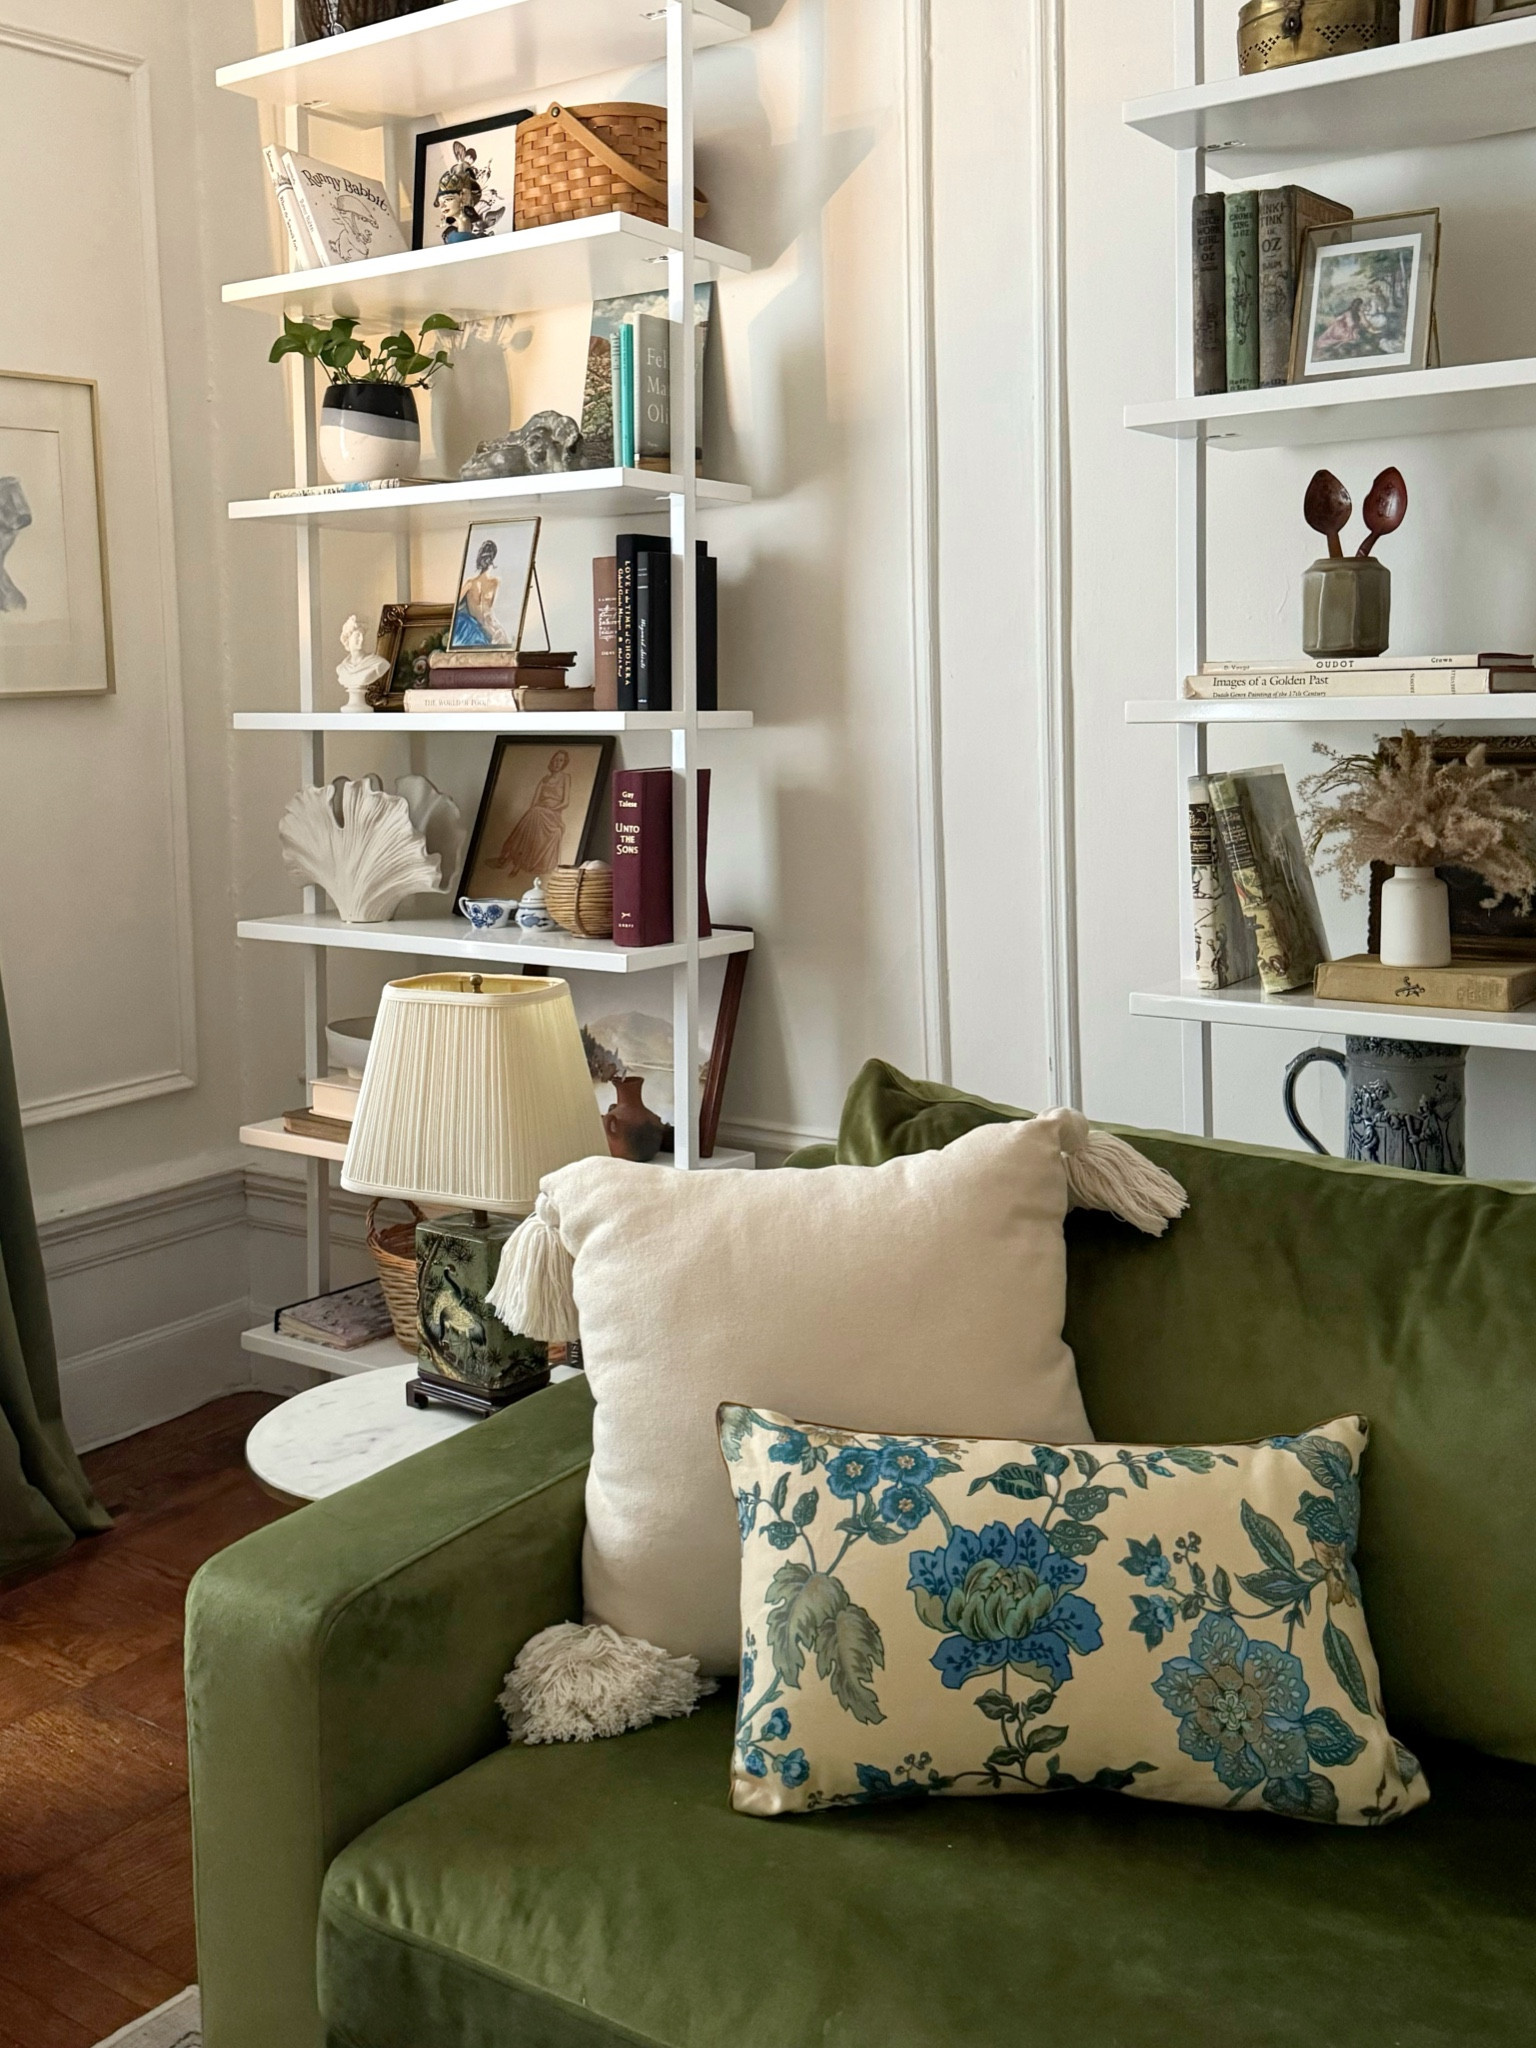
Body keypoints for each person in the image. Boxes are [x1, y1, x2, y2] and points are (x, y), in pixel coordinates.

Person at [492, 749, 572, 881]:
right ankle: (516, 860)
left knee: (536, 812)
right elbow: (534, 802)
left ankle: (512, 860)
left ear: (564, 763)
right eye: (556, 759)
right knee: (533, 813)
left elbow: (565, 802)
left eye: (561, 760)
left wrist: (551, 808)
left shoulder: (566, 778)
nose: (558, 763)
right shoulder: (544, 779)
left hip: (553, 814)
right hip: (539, 812)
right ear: (552, 761)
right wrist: (537, 809)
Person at [452, 538, 501, 647]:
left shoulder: (470, 583)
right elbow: (490, 610)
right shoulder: (495, 583)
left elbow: (453, 607)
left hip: (472, 629)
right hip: (477, 630)